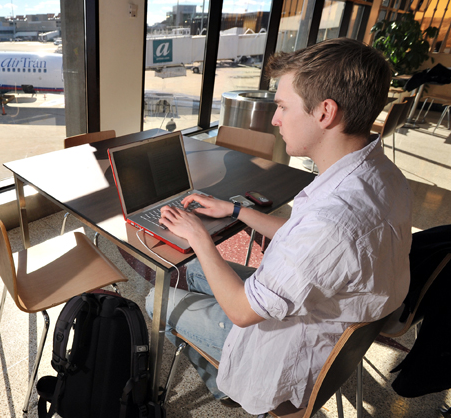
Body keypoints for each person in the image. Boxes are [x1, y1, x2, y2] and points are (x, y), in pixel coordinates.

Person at [146, 38, 412, 416]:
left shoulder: (332, 221)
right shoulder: (382, 175)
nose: (275, 119)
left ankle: (226, 389)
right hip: (327, 320)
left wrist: (200, 237)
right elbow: (307, 240)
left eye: (284, 107)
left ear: (325, 112)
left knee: (154, 299)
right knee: (187, 269)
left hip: (284, 349)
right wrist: (236, 211)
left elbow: (241, 310)